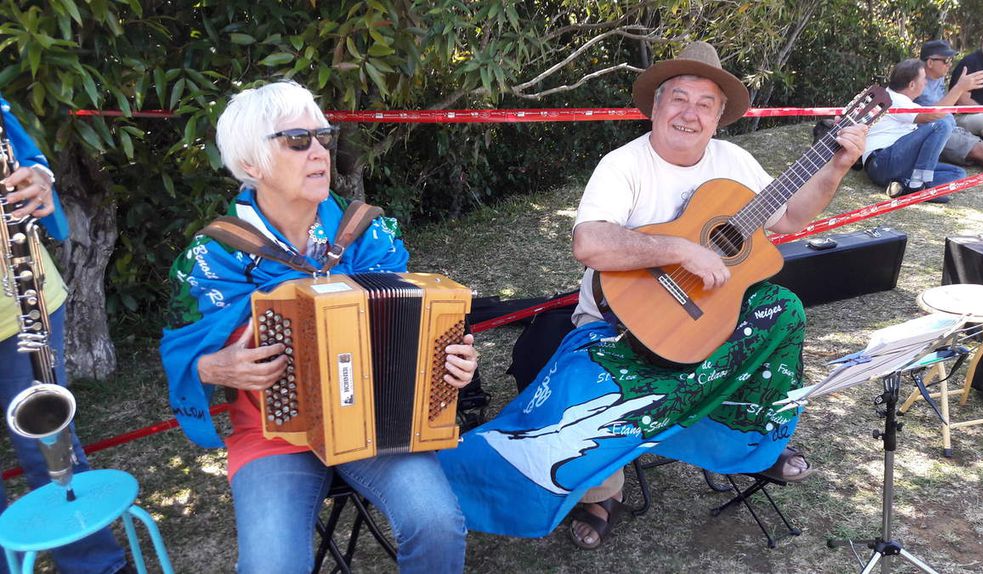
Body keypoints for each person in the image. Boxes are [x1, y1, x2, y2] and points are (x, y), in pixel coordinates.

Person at [439, 41, 867, 549]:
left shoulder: (735, 162)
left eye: (704, 104)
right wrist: (679, 251)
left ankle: (748, 444)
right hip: (615, 324)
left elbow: (792, 218)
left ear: (720, 116)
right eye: (678, 99)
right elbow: (589, 242)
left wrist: (836, 167)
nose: (690, 113)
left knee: (784, 310)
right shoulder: (623, 164)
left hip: (704, 319)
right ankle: (601, 491)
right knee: (569, 406)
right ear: (657, 107)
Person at [159, 81, 478, 574]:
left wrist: (450, 362)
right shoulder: (214, 256)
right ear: (250, 165)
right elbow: (178, 349)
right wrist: (211, 366)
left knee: (437, 521)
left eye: (322, 137)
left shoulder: (365, 232)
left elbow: (415, 327)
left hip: (374, 425)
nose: (318, 153)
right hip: (272, 435)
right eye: (296, 140)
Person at [0, 96, 128, 573]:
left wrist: (39, 178)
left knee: (50, 445)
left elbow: (28, 158)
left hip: (22, 302)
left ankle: (95, 565)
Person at [863, 59, 965, 203]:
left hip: (893, 165)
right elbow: (935, 116)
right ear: (912, 84)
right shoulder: (895, 99)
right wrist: (959, 88)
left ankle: (904, 186)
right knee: (941, 124)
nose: (926, 83)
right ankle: (918, 186)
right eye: (924, 79)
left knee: (958, 173)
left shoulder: (897, 98)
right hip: (883, 160)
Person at [917, 40, 983, 170]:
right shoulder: (917, 82)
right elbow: (932, 115)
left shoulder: (938, 77)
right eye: (946, 61)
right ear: (930, 63)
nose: (949, 65)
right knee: (982, 150)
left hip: (950, 126)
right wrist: (960, 88)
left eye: (950, 60)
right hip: (934, 130)